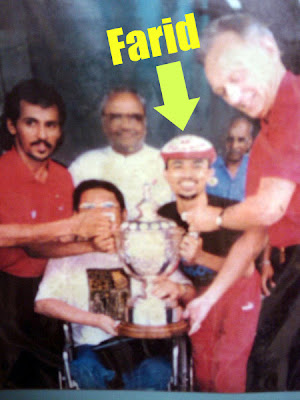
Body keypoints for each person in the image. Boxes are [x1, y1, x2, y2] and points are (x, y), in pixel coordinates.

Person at [183, 13, 300, 391]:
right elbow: (256, 230)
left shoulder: (293, 106)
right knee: (265, 367)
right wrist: (209, 298)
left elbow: (268, 208)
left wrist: (212, 218)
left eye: (235, 77)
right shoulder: (267, 132)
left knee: (273, 370)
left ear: (268, 49)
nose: (232, 96)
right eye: (221, 91)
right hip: (286, 267)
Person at [0, 79, 112, 388]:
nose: (42, 135)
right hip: (5, 296)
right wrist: (71, 226)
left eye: (51, 125)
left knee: (49, 381)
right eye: (31, 123)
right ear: (12, 126)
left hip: (49, 291)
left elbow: (39, 248)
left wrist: (93, 244)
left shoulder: (63, 178)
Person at [35, 179, 195, 390]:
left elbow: (190, 293)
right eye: (89, 208)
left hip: (144, 344)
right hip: (90, 345)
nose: (100, 214)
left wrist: (178, 289)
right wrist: (95, 320)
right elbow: (43, 303)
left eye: (108, 206)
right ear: (76, 217)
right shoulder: (65, 255)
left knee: (158, 371)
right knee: (84, 370)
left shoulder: (147, 247)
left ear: (124, 215)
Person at [158, 135, 261, 392]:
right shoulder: (164, 214)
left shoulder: (230, 212)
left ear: (209, 173)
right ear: (166, 174)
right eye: (178, 165)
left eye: (196, 165)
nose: (187, 174)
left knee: (227, 368)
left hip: (238, 290)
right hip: (198, 292)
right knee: (202, 369)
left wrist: (200, 257)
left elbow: (247, 270)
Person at [69, 87, 173, 219]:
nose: (125, 126)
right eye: (116, 118)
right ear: (104, 123)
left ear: (145, 123)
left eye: (134, 118)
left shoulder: (167, 163)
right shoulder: (84, 165)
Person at [207, 116, 254, 201]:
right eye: (230, 139)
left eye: (241, 140)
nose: (234, 146)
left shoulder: (256, 171)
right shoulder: (209, 169)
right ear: (224, 140)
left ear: (249, 143)